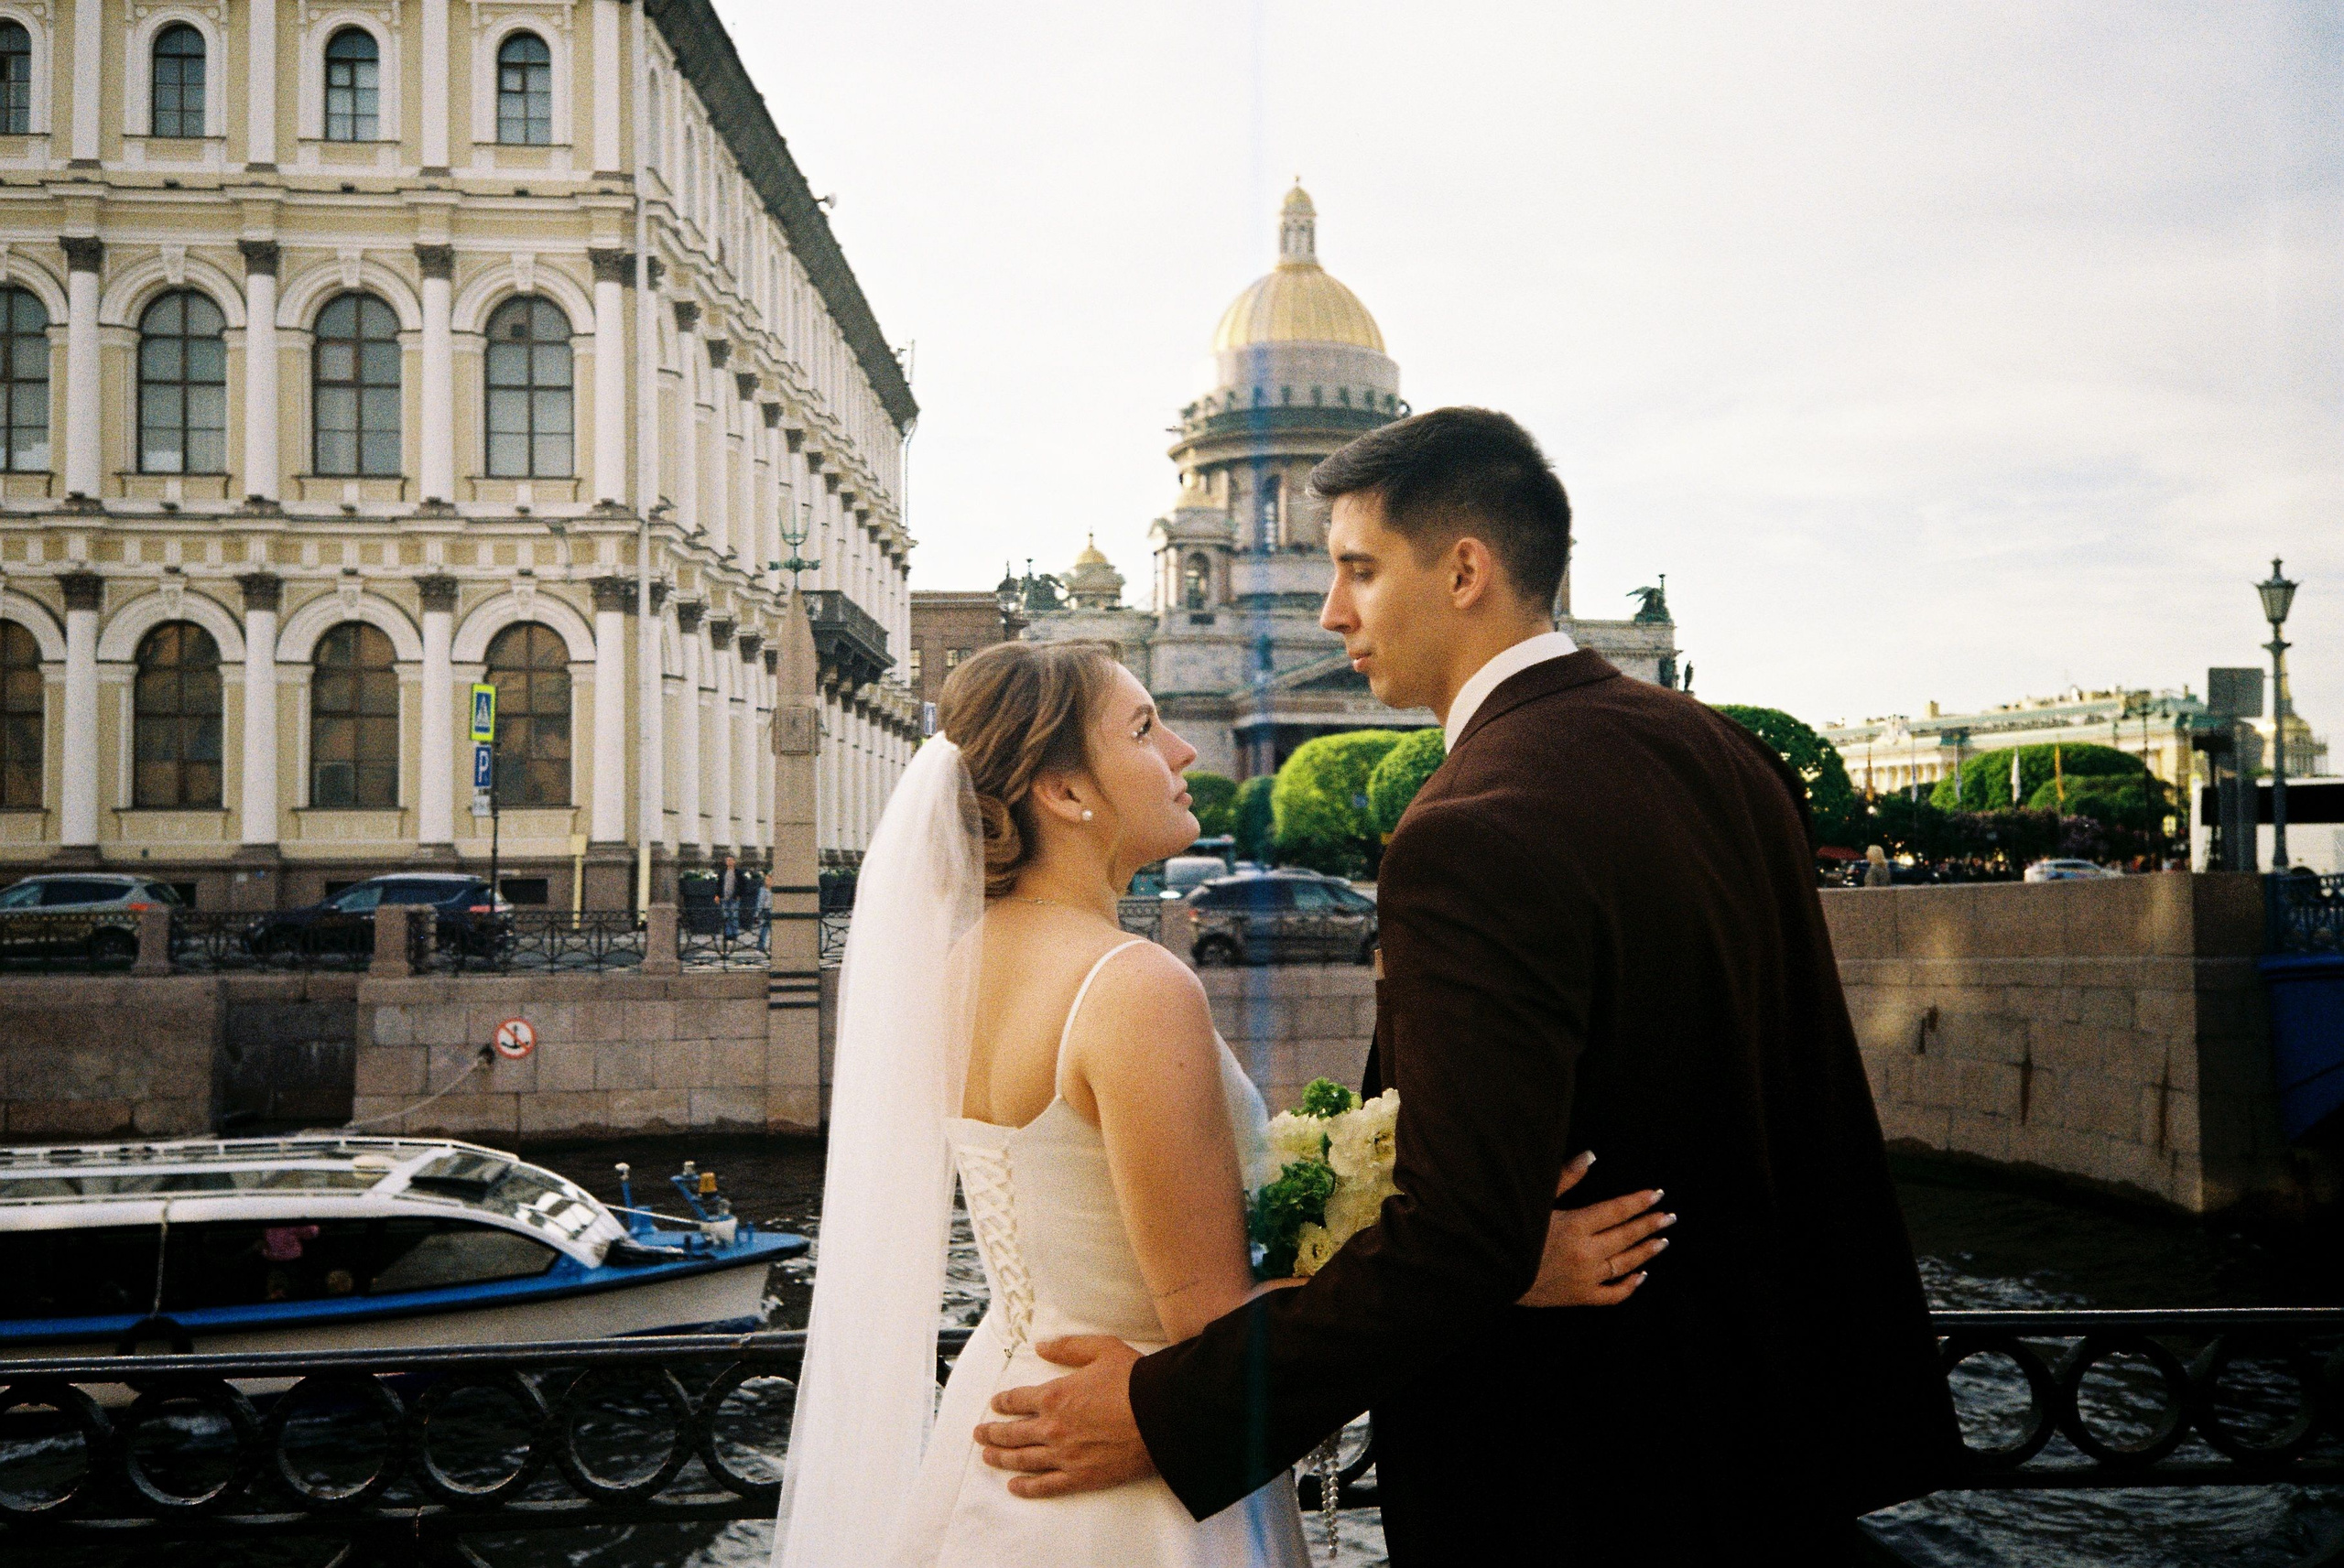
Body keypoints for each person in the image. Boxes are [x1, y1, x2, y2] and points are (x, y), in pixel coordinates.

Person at [971, 408, 1961, 1563]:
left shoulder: (1471, 828)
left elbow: (1458, 1236)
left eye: (1356, 570)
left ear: (1463, 570)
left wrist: (1165, 1410)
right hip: (1773, 1440)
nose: (1329, 610)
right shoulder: (1724, 756)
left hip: (1572, 1473)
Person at [770, 637, 1661, 1568]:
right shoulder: (1131, 985)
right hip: (1134, 1463)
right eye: (1144, 729)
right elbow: (1215, 1326)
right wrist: (1494, 1269)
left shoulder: (958, 968)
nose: (1185, 751)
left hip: (1004, 1424)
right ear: (1064, 793)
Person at [719, 854, 741, 945]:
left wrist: (739, 894)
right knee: (726, 916)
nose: (729, 862)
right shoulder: (723, 872)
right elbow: (719, 884)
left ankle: (735, 934)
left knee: (734, 916)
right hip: (724, 897)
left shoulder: (738, 872)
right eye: (727, 860)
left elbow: (742, 884)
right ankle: (728, 934)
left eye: (731, 860)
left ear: (734, 861)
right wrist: (717, 895)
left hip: (734, 897)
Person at [753, 871, 774, 953]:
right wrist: (757, 913)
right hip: (766, 910)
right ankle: (761, 946)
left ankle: (769, 946)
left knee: (771, 930)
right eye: (766, 880)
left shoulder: (775, 890)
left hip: (772, 910)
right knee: (764, 929)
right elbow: (760, 902)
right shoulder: (762, 890)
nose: (767, 882)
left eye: (769, 880)